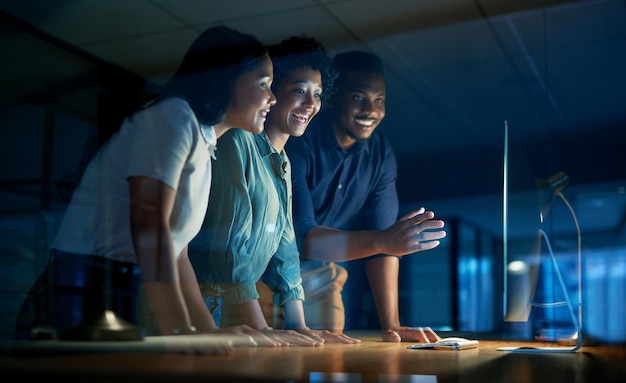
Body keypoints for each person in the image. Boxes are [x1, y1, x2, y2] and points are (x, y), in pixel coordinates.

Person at [15, 25, 283, 348]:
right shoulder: (173, 116)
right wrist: (178, 330)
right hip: (81, 285)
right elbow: (148, 221)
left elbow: (177, 250)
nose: (272, 98)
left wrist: (207, 330)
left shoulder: (204, 141)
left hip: (119, 285)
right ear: (227, 78)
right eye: (264, 84)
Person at [188, 36, 360, 346]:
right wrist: (264, 328)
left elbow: (285, 247)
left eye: (318, 94)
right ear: (270, 91)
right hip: (190, 303)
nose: (311, 105)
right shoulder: (236, 139)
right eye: (299, 91)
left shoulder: (282, 160)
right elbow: (231, 247)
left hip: (221, 303)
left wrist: (300, 326)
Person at [283, 50, 447, 342]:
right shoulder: (299, 139)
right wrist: (384, 240)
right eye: (358, 97)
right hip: (267, 270)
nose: (370, 110)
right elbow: (303, 237)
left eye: (379, 100)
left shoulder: (380, 153)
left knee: (330, 359)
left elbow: (385, 244)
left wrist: (392, 325)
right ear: (333, 97)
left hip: (323, 276)